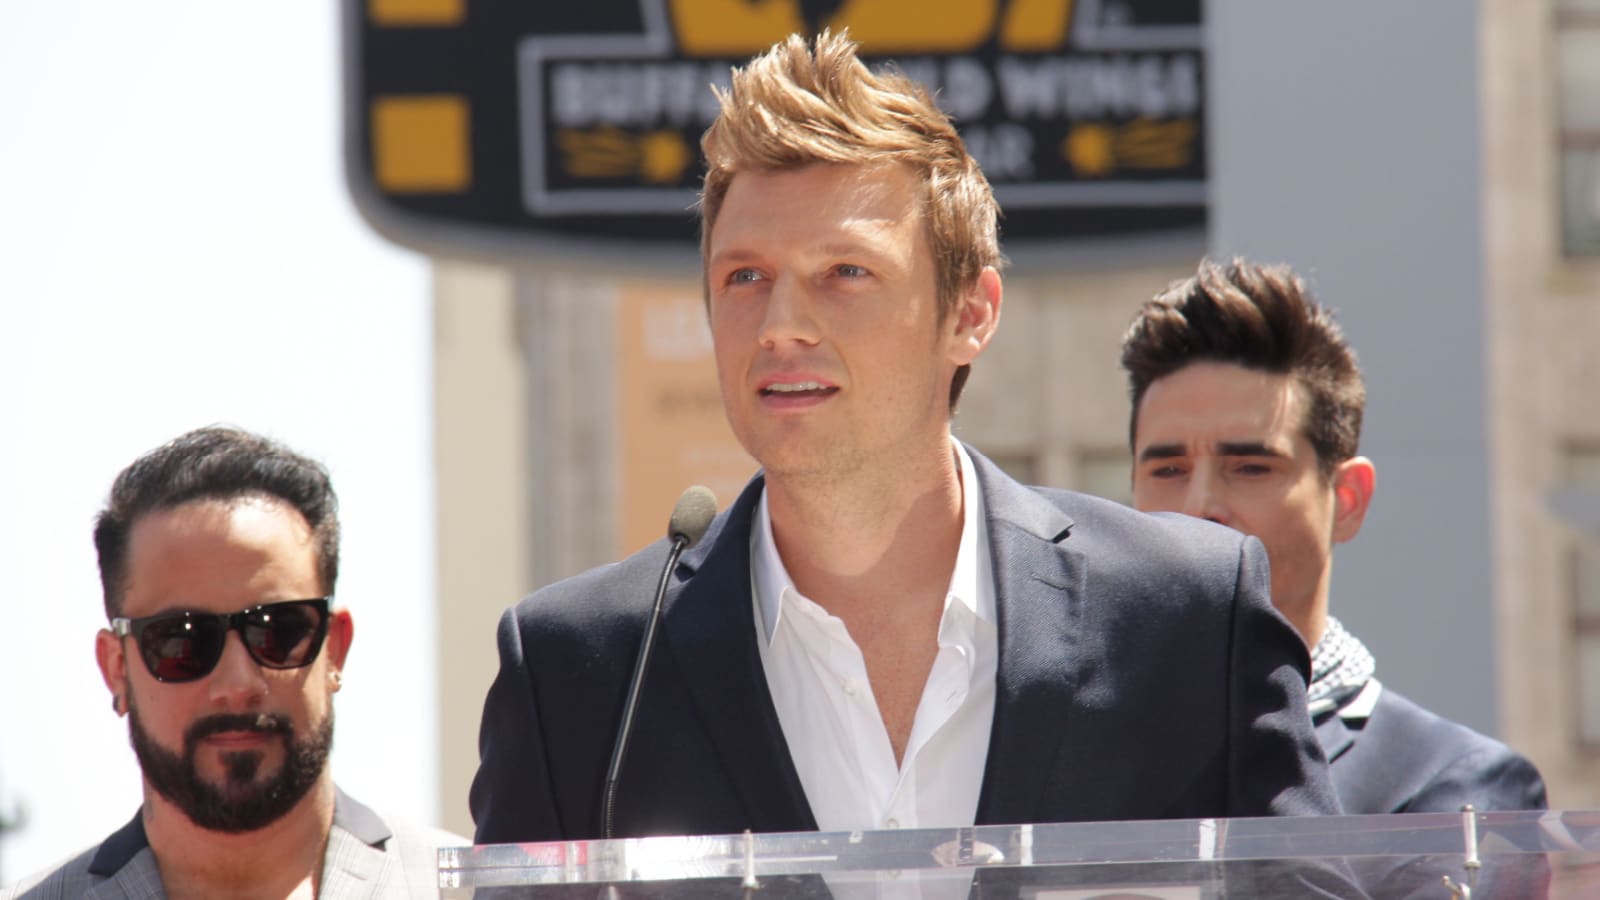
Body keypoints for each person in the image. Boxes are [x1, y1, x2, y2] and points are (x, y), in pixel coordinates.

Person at [470, 32, 1341, 849]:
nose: (780, 325)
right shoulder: (578, 677)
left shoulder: (1188, 618)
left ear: (971, 314)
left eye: (844, 273)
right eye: (745, 277)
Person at [1121, 257, 1547, 815]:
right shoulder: (1065, 747)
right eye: (1168, 471)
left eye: (1250, 467)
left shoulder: (1457, 787)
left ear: (1347, 500)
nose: (1201, 507)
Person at [3, 427, 462, 900]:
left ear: (335, 648)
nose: (238, 684)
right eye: (182, 641)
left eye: (279, 631)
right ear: (116, 668)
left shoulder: (483, 893)